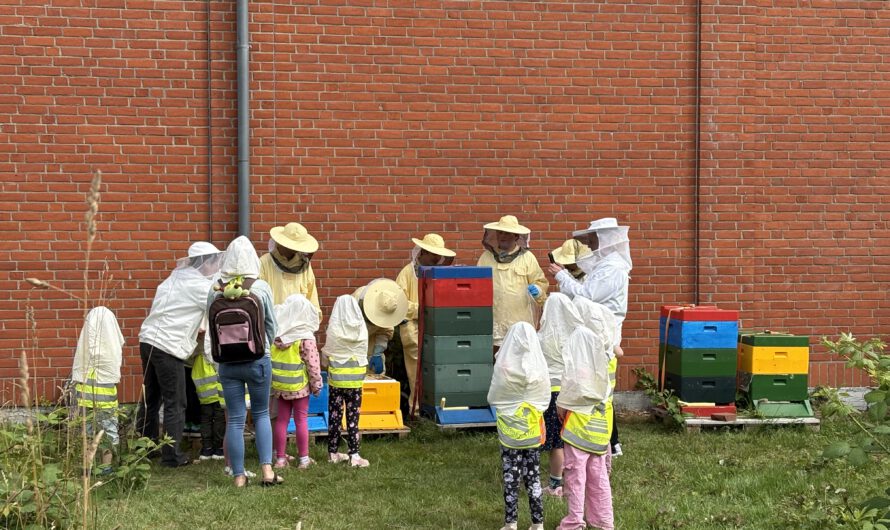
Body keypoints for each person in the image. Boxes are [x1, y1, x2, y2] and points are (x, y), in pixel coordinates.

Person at [137, 241, 224, 468]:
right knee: (176, 402)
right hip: (168, 347)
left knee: (151, 399)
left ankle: (145, 448)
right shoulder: (198, 286)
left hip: (147, 341)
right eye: (215, 261)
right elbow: (218, 306)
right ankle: (172, 457)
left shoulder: (174, 278)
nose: (216, 266)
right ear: (206, 262)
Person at [548, 218, 631, 456]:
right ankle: (597, 443)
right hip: (596, 335)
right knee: (594, 389)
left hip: (602, 337)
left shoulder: (612, 267)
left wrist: (562, 277)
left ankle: (603, 445)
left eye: (593, 238)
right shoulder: (608, 264)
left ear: (605, 239)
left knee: (599, 392)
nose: (591, 243)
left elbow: (587, 296)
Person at [207, 236, 280, 487]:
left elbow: (209, 327)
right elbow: (271, 325)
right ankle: (268, 471)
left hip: (227, 364)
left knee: (236, 418)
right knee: (261, 413)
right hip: (259, 359)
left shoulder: (215, 289)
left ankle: (239, 476)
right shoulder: (260, 288)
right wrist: (264, 346)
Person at [487, 322, 551, 530]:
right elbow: (545, 398)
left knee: (510, 478)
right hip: (532, 433)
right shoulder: (538, 368)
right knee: (533, 478)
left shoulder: (505, 366)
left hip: (509, 434)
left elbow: (494, 396)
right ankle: (538, 523)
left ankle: (511, 523)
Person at [555, 327, 614, 530]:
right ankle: (603, 521)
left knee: (575, 479)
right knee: (599, 478)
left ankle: (574, 521)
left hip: (577, 436)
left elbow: (564, 404)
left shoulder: (577, 373)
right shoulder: (606, 368)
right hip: (599, 436)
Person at [394, 233, 456, 413]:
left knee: (439, 369)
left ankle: (438, 408)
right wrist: (422, 309)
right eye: (433, 255)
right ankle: (418, 410)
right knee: (418, 373)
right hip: (412, 327)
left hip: (436, 327)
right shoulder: (407, 272)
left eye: (439, 255)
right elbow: (398, 304)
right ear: (422, 252)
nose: (437, 259)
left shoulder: (439, 272)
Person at [477, 215, 548, 351]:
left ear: (516, 236)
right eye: (500, 233)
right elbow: (477, 286)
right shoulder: (486, 257)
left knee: (520, 361)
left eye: (507, 233)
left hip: (520, 321)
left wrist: (538, 290)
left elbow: (540, 282)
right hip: (494, 321)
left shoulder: (528, 258)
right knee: (495, 361)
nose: (502, 236)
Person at [537, 293, 583, 497]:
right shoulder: (577, 336)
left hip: (551, 394)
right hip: (574, 395)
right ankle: (576, 480)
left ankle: (556, 484)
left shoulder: (541, 337)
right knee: (572, 440)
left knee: (556, 442)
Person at [271, 293, 323, 469]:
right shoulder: (306, 339)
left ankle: (280, 459)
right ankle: (304, 459)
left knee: (281, 421)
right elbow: (313, 366)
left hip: (280, 386)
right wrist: (317, 386)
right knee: (301, 420)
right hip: (300, 387)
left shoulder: (277, 337)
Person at [71, 306, 124, 475]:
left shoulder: (84, 348)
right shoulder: (110, 348)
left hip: (83, 394)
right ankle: (105, 467)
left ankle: (87, 467)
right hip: (106, 396)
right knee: (107, 430)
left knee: (86, 431)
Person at [322, 295, 371, 467]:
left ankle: (333, 453)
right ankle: (354, 454)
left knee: (334, 417)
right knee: (353, 419)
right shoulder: (361, 330)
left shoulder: (334, 330)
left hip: (336, 381)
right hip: (355, 383)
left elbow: (325, 357)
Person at [573, 297, 622, 456]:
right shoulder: (608, 338)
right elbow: (620, 352)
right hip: (607, 393)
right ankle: (611, 446)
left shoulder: (589, 342)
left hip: (595, 391)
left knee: (595, 419)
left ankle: (606, 446)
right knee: (606, 417)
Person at [259, 222, 321, 314]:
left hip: (299, 325)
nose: (294, 250)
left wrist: (314, 316)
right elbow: (259, 297)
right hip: (273, 324)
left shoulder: (305, 266)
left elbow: (312, 298)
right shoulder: (264, 262)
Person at [351, 279, 409, 375]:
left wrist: (377, 352)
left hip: (373, 347)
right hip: (353, 349)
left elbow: (385, 330)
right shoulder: (354, 301)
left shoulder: (389, 306)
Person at [190, 331, 225, 462]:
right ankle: (219, 449)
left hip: (202, 388)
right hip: (216, 387)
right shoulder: (215, 337)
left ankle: (206, 449)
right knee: (219, 417)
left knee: (206, 418)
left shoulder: (198, 344)